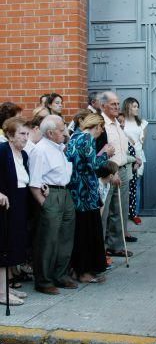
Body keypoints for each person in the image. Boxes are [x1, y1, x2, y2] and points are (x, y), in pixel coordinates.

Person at [29, 115, 76, 294]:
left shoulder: (57, 148)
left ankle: (61, 275)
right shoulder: (40, 150)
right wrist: (45, 204)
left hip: (64, 192)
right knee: (48, 240)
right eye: (61, 129)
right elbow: (34, 183)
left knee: (65, 237)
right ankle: (44, 280)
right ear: (50, 133)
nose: (65, 132)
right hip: (51, 195)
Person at [66, 114, 114, 283]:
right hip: (85, 193)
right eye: (101, 128)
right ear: (97, 126)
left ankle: (77, 269)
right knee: (88, 233)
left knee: (81, 232)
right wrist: (106, 154)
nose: (101, 132)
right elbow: (93, 164)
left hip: (76, 191)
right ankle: (85, 272)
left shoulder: (75, 136)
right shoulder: (87, 138)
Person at [98, 91, 135, 255]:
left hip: (122, 168)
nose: (117, 107)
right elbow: (101, 150)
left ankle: (117, 246)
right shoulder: (101, 124)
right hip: (108, 171)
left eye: (117, 104)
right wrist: (111, 172)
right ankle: (101, 250)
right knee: (104, 212)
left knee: (120, 209)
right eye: (113, 104)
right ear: (103, 105)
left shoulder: (117, 123)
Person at [0, 118, 31, 306]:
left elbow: (23, 179)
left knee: (14, 245)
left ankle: (5, 286)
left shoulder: (24, 155)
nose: (26, 138)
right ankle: (2, 293)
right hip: (4, 206)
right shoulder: (2, 151)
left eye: (27, 134)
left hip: (19, 203)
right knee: (3, 247)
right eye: (21, 134)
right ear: (10, 135)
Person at [122, 97, 147, 224]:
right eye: (134, 106)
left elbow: (142, 141)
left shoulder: (142, 123)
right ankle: (124, 212)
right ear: (127, 107)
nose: (136, 109)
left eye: (137, 106)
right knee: (125, 185)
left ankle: (135, 213)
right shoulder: (121, 121)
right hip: (125, 157)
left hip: (138, 156)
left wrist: (137, 159)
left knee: (136, 186)